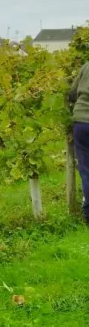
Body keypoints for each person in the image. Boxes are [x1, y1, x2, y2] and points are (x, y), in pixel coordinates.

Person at [69, 62, 89, 221]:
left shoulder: (86, 66)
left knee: (86, 170)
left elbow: (72, 93)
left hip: (81, 123)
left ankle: (88, 213)